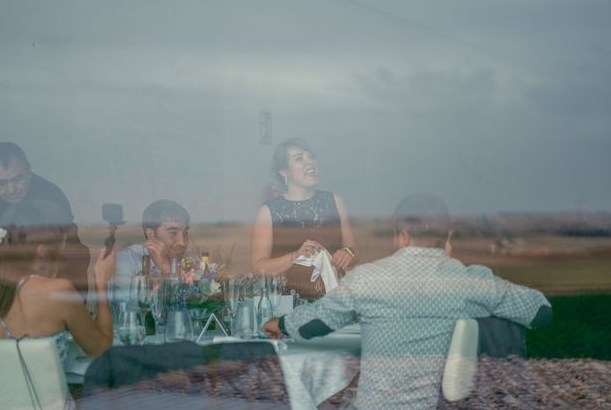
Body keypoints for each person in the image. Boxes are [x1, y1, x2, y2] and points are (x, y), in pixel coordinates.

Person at [262, 194, 553, 410]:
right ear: (447, 235)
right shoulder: (467, 282)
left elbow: (315, 323)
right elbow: (539, 312)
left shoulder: (367, 279)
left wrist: (280, 323)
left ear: (401, 235)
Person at [0, 200, 114, 360]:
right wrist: (101, 282)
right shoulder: (57, 292)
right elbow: (102, 351)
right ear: (42, 250)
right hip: (44, 386)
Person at [251, 138, 357, 298]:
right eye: (299, 158)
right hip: (289, 305)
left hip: (335, 301)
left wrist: (348, 253)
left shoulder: (335, 201)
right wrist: (295, 256)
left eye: (311, 156)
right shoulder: (268, 211)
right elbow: (258, 268)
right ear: (284, 171)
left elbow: (354, 250)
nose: (310, 163)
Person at [0, 142, 90, 292]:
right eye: (1, 183)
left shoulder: (52, 197)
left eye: (18, 179)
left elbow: (68, 255)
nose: (11, 190)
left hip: (51, 274)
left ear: (29, 172)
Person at [112, 199, 190, 302]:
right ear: (151, 234)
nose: (183, 242)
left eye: (185, 233)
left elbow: (197, 305)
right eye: (173, 233)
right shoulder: (126, 260)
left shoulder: (189, 263)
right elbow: (137, 306)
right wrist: (167, 269)